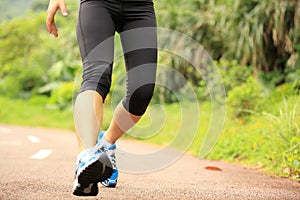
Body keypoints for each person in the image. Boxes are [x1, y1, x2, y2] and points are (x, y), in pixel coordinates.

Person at [46, 0, 157, 196]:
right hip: (98, 3)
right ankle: (87, 156)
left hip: (140, 7)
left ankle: (105, 144)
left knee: (143, 91)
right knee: (96, 75)